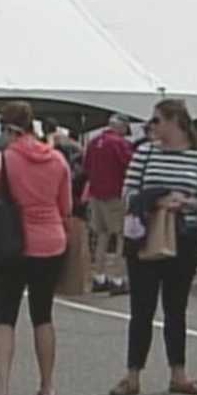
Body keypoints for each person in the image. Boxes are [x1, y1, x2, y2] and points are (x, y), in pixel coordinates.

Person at [109, 99, 197, 395]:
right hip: (146, 236)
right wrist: (156, 201)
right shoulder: (144, 152)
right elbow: (128, 193)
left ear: (175, 122)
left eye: (156, 121)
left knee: (175, 309)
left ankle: (178, 374)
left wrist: (186, 203)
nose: (151, 127)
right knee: (141, 308)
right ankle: (132, 375)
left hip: (184, 237)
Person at [0, 101, 71, 395]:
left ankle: (2, 386)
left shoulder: (0, 160)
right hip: (51, 241)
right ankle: (47, 384)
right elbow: (66, 207)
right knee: (43, 315)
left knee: (4, 315)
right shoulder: (57, 159)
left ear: (7, 128)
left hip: (12, 246)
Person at [83, 113, 134, 294]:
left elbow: (86, 166)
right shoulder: (120, 144)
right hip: (116, 194)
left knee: (101, 235)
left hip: (96, 193)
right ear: (121, 127)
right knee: (120, 236)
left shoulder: (94, 142)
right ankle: (117, 279)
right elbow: (130, 166)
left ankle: (99, 276)